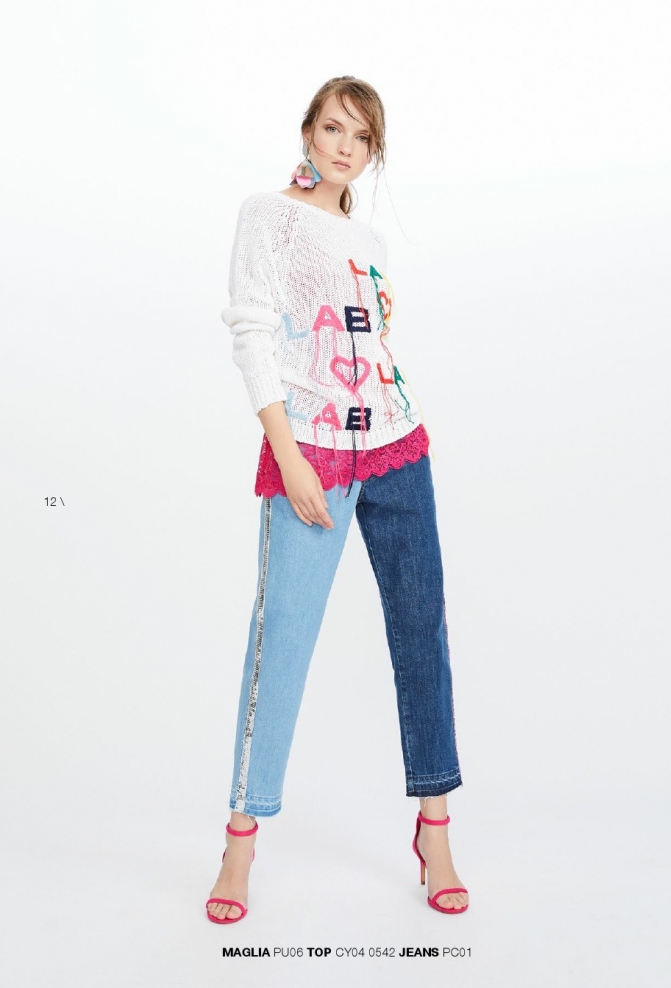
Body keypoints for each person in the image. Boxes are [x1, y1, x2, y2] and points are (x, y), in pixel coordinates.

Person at [206, 76, 469, 924]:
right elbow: (252, 332)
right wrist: (288, 458)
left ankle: (434, 829)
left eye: (361, 136)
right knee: (278, 640)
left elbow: (374, 344)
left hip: (397, 450)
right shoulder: (269, 215)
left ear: (373, 150)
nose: (344, 147)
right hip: (311, 452)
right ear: (307, 134)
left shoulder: (370, 237)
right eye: (331, 129)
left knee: (421, 636)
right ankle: (240, 839)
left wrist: (399, 423)